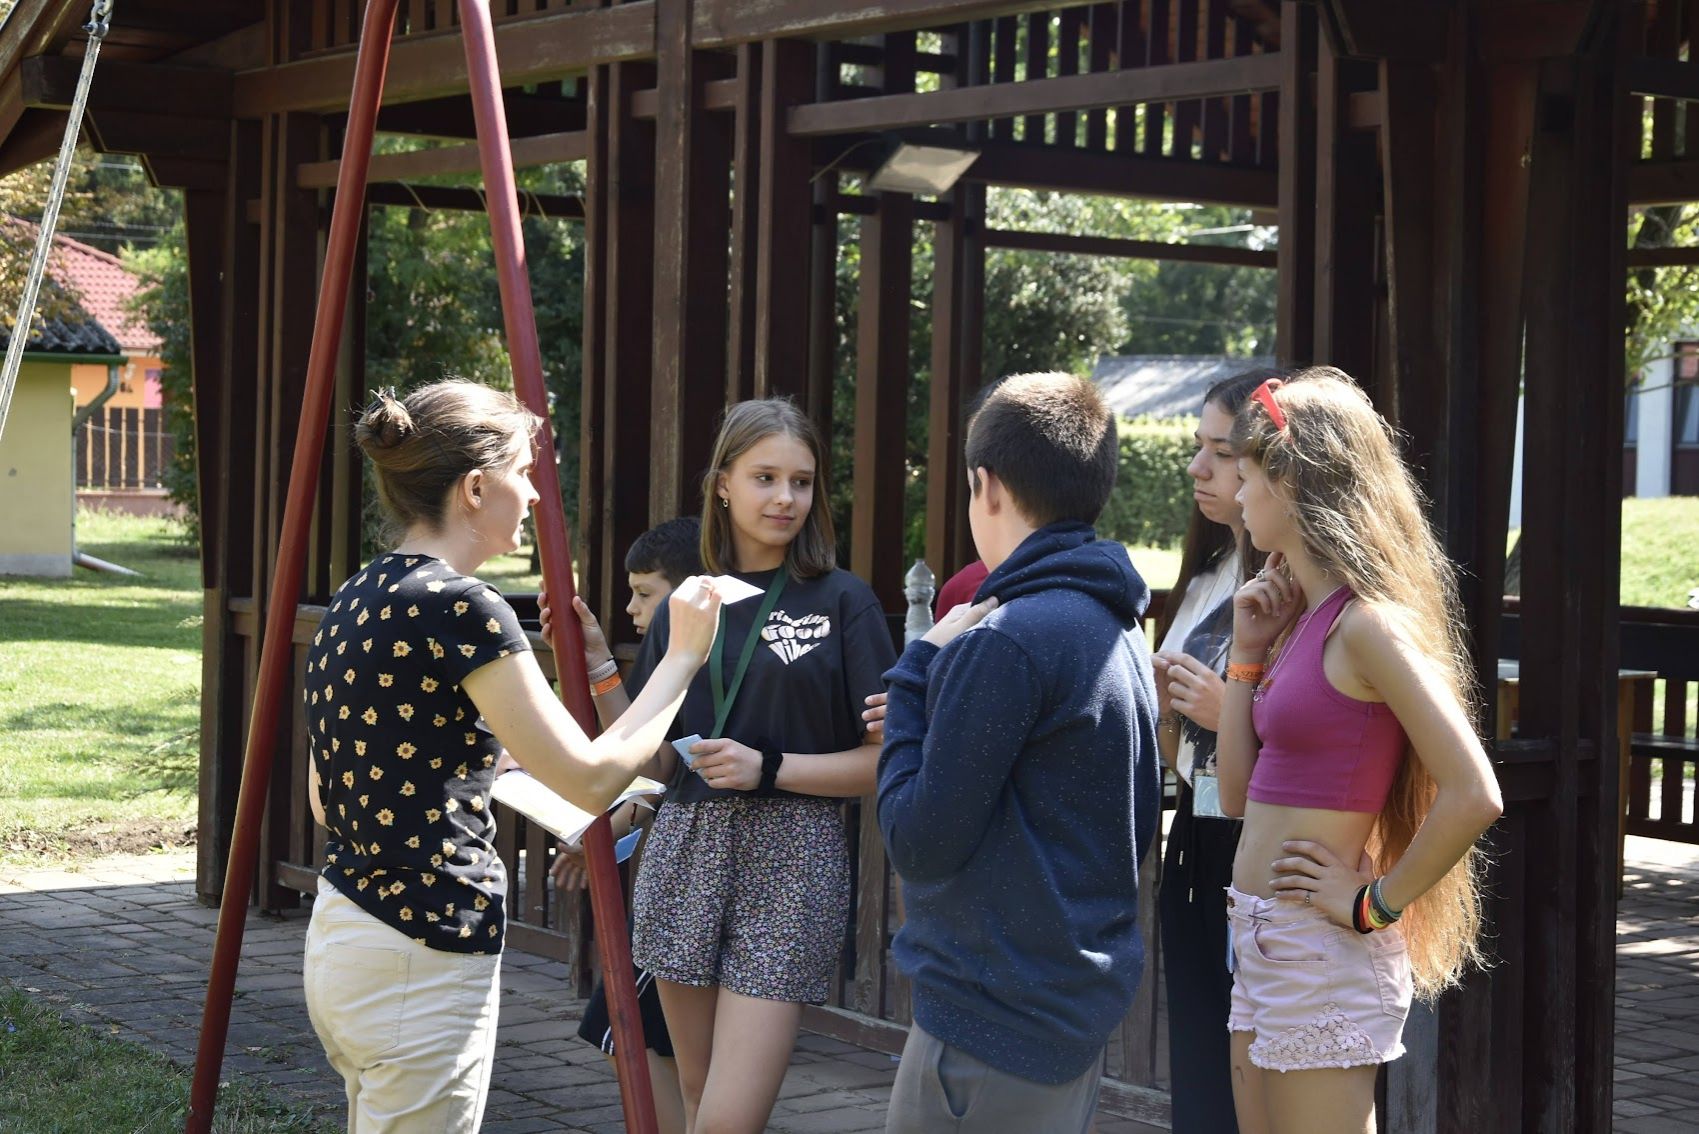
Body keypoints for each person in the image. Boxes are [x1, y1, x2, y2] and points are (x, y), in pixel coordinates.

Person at [301, 380, 720, 1133]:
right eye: (524, 473)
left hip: (344, 936)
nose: (532, 495)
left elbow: (328, 799)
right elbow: (592, 779)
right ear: (474, 488)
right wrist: (682, 659)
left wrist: (455, 768)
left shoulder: (355, 598)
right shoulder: (464, 606)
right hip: (423, 949)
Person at [1216, 369, 1504, 1134]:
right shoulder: (1298, 621)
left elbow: (1473, 792)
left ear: (1287, 480)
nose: (1236, 495)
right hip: (1260, 935)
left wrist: (1372, 905)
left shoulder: (1367, 625)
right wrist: (1246, 653)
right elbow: (1235, 796)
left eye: (1244, 474)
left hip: (1316, 945)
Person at [877, 372, 1161, 1134]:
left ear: (987, 485)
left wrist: (914, 675)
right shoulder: (1114, 621)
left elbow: (918, 842)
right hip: (1062, 1007)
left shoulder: (1006, 640)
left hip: (989, 1023)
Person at [625, 397, 897, 1134]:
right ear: (722, 484)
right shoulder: (687, 603)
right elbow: (651, 753)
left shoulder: (844, 601)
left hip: (794, 860)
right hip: (684, 850)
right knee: (694, 1094)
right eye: (765, 478)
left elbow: (884, 763)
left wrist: (768, 767)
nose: (785, 499)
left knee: (728, 1119)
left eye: (801, 482)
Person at [1150, 368, 1279, 1134]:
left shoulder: (1296, 590)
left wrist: (1220, 709)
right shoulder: (1205, 577)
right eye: (1199, 447)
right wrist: (1169, 715)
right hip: (1196, 840)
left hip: (1263, 848)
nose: (1199, 468)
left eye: (1223, 453)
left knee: (1259, 1077)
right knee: (1201, 1066)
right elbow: (1182, 760)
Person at [546, 515, 703, 1134]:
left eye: (645, 593)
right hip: (681, 868)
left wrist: (604, 833)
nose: (633, 609)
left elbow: (660, 777)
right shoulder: (670, 659)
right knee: (652, 1040)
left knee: (628, 1029)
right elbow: (652, 763)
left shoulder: (711, 663)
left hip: (695, 878)